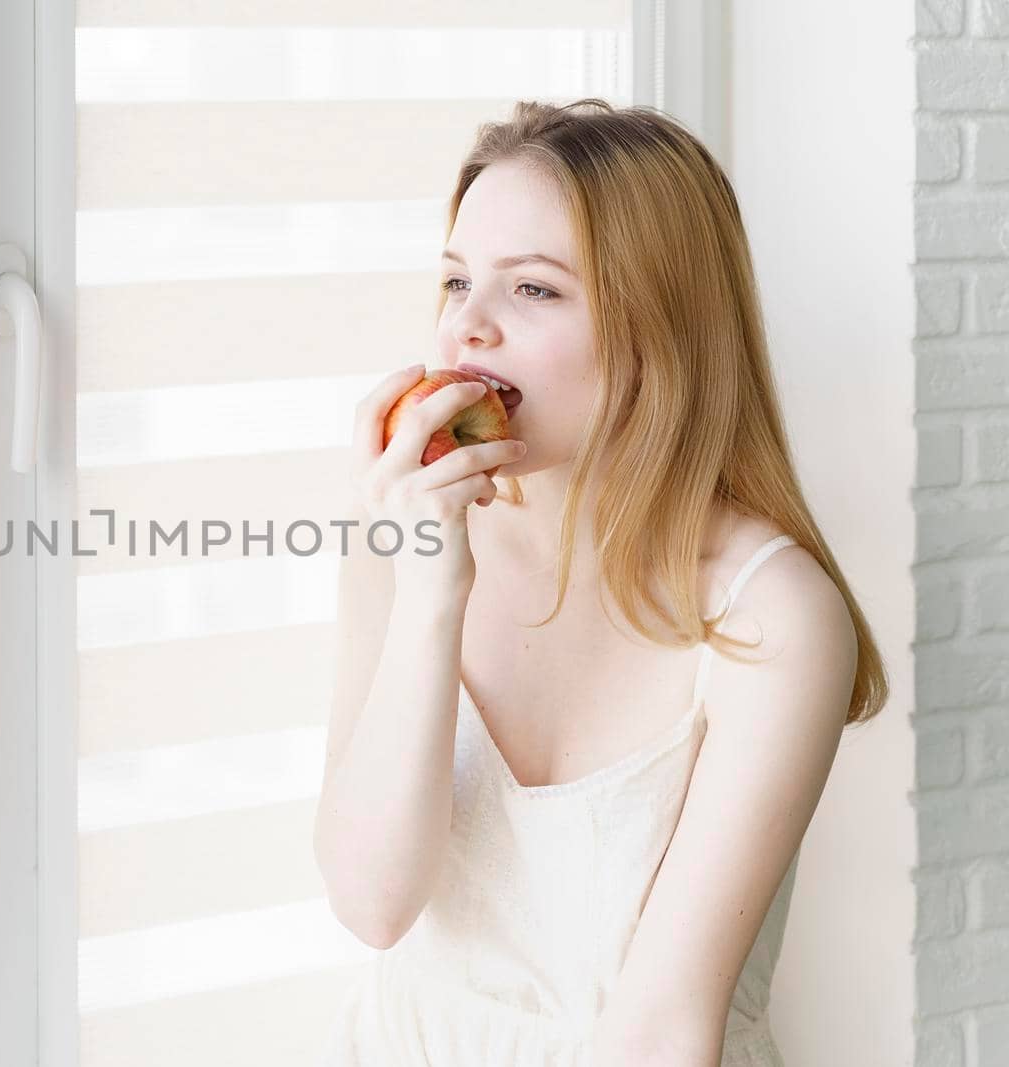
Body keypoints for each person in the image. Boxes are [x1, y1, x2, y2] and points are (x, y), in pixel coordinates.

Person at [312, 98, 889, 1066]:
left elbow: (662, 1024)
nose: (468, 329)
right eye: (456, 280)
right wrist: (427, 596)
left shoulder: (769, 611)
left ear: (659, 322)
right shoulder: (403, 537)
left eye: (533, 290)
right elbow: (373, 906)